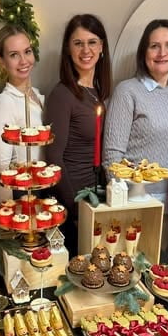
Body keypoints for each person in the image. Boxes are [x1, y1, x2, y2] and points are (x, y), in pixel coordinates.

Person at [102, 19, 168, 252]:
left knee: (157, 271)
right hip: (136, 203)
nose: (162, 53)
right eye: (154, 46)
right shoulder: (128, 91)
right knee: (128, 271)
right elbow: (112, 155)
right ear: (144, 53)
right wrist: (122, 200)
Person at [44, 14, 112, 253]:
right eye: (78, 43)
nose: (86, 49)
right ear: (68, 49)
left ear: (101, 47)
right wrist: (76, 209)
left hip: (98, 200)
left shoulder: (100, 91)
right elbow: (53, 157)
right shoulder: (62, 95)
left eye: (92, 42)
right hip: (73, 204)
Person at [0, 24, 44, 202]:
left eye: (27, 51)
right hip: (23, 195)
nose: (23, 61)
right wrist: (9, 211)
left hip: (42, 187)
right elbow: (1, 165)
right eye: (14, 55)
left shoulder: (37, 94)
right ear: (1, 61)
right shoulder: (6, 102)